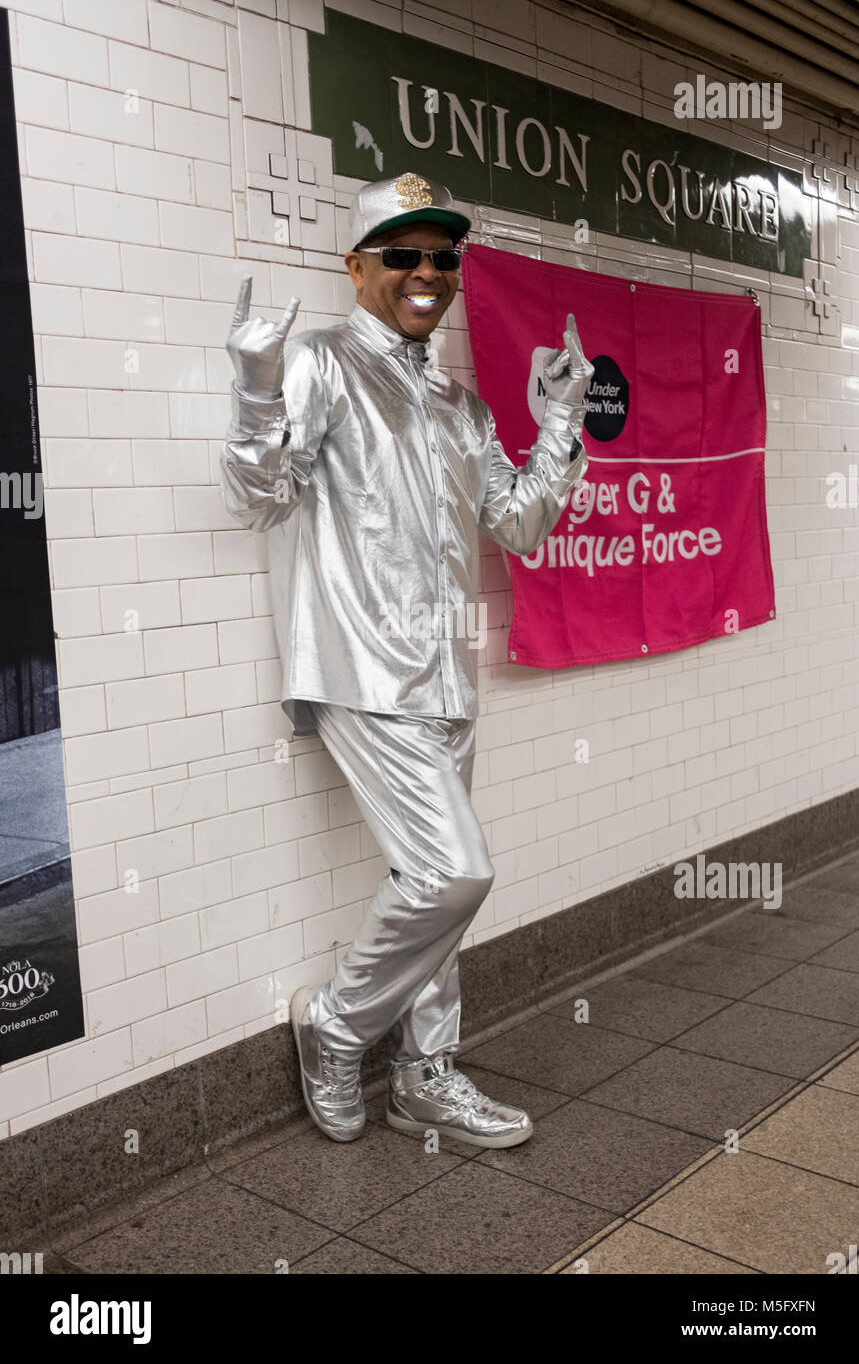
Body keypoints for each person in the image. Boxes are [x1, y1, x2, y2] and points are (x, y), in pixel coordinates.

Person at [219, 172, 592, 1150]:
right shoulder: (322, 363)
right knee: (454, 870)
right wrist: (256, 388)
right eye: (402, 252)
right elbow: (259, 495)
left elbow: (518, 523)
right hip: (360, 671)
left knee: (429, 880)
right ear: (357, 265)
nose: (426, 270)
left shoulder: (458, 405)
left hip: (446, 677)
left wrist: (557, 422)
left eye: (441, 256)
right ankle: (335, 1024)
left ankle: (425, 1074)